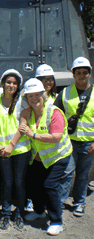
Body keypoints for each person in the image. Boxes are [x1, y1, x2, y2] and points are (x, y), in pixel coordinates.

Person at [17, 78, 72, 236]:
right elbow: (22, 122)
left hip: (58, 156)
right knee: (33, 183)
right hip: (39, 157)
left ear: (43, 95)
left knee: (49, 185)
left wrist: (33, 134)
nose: (34, 99)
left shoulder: (53, 112)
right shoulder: (30, 113)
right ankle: (39, 211)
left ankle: (56, 221)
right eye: (30, 96)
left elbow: (56, 136)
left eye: (37, 95)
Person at [54, 57, 94, 217]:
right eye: (79, 73)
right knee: (66, 173)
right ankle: (59, 203)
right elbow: (56, 116)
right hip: (69, 143)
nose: (82, 75)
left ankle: (79, 202)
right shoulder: (65, 93)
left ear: (89, 74)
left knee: (83, 176)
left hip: (89, 144)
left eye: (85, 73)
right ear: (73, 74)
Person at [34, 64, 75, 208]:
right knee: (38, 178)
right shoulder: (33, 98)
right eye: (44, 79)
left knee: (68, 172)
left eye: (50, 79)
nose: (48, 83)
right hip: (40, 146)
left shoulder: (58, 97)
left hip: (57, 146)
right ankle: (35, 203)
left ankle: (59, 202)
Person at [0, 69, 31, 230]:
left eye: (15, 83)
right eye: (8, 82)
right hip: (2, 150)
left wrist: (11, 145)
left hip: (20, 150)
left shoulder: (23, 102)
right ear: (2, 83)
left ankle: (19, 213)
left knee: (19, 183)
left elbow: (23, 126)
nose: (11, 85)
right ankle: (6, 213)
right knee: (7, 183)